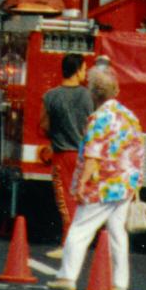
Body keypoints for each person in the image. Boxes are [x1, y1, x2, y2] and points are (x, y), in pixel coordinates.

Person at [54, 63, 144, 290]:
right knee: (117, 232)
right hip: (125, 183)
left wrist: (82, 182)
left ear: (93, 93)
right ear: (116, 91)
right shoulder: (130, 117)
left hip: (103, 184)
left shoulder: (99, 119)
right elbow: (137, 150)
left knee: (80, 228)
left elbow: (93, 155)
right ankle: (119, 283)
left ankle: (67, 276)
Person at [41, 53, 95, 254]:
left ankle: (68, 245)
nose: (85, 73)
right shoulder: (89, 96)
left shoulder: (50, 96)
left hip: (62, 154)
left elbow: (44, 125)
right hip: (85, 155)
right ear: (78, 70)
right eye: (84, 69)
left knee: (66, 202)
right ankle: (80, 242)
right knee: (84, 199)